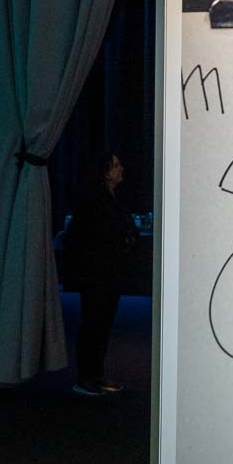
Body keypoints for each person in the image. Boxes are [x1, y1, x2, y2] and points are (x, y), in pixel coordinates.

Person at [62, 151, 135, 396]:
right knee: (93, 324)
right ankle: (85, 377)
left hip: (109, 274)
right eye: (115, 165)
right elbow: (80, 236)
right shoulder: (95, 200)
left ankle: (97, 374)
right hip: (96, 275)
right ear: (104, 171)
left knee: (102, 325)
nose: (121, 169)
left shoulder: (112, 198)